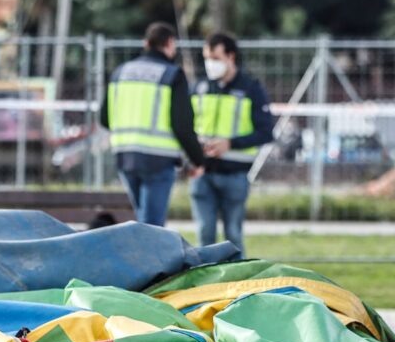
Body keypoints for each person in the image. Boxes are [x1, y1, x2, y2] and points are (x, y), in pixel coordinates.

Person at [100, 22, 206, 227]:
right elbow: (182, 124)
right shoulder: (172, 74)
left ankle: (141, 257)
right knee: (152, 226)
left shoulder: (121, 72)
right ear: (170, 43)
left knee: (143, 221)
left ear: (145, 43)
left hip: (125, 156)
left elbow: (104, 118)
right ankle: (149, 259)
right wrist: (198, 160)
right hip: (158, 159)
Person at [190, 32, 276, 252]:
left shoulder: (250, 89)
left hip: (235, 174)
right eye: (207, 58)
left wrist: (230, 143)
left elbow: (266, 132)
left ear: (231, 57)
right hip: (203, 173)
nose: (210, 64)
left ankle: (238, 284)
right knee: (204, 235)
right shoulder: (199, 88)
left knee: (233, 237)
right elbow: (187, 127)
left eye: (216, 58)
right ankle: (207, 285)